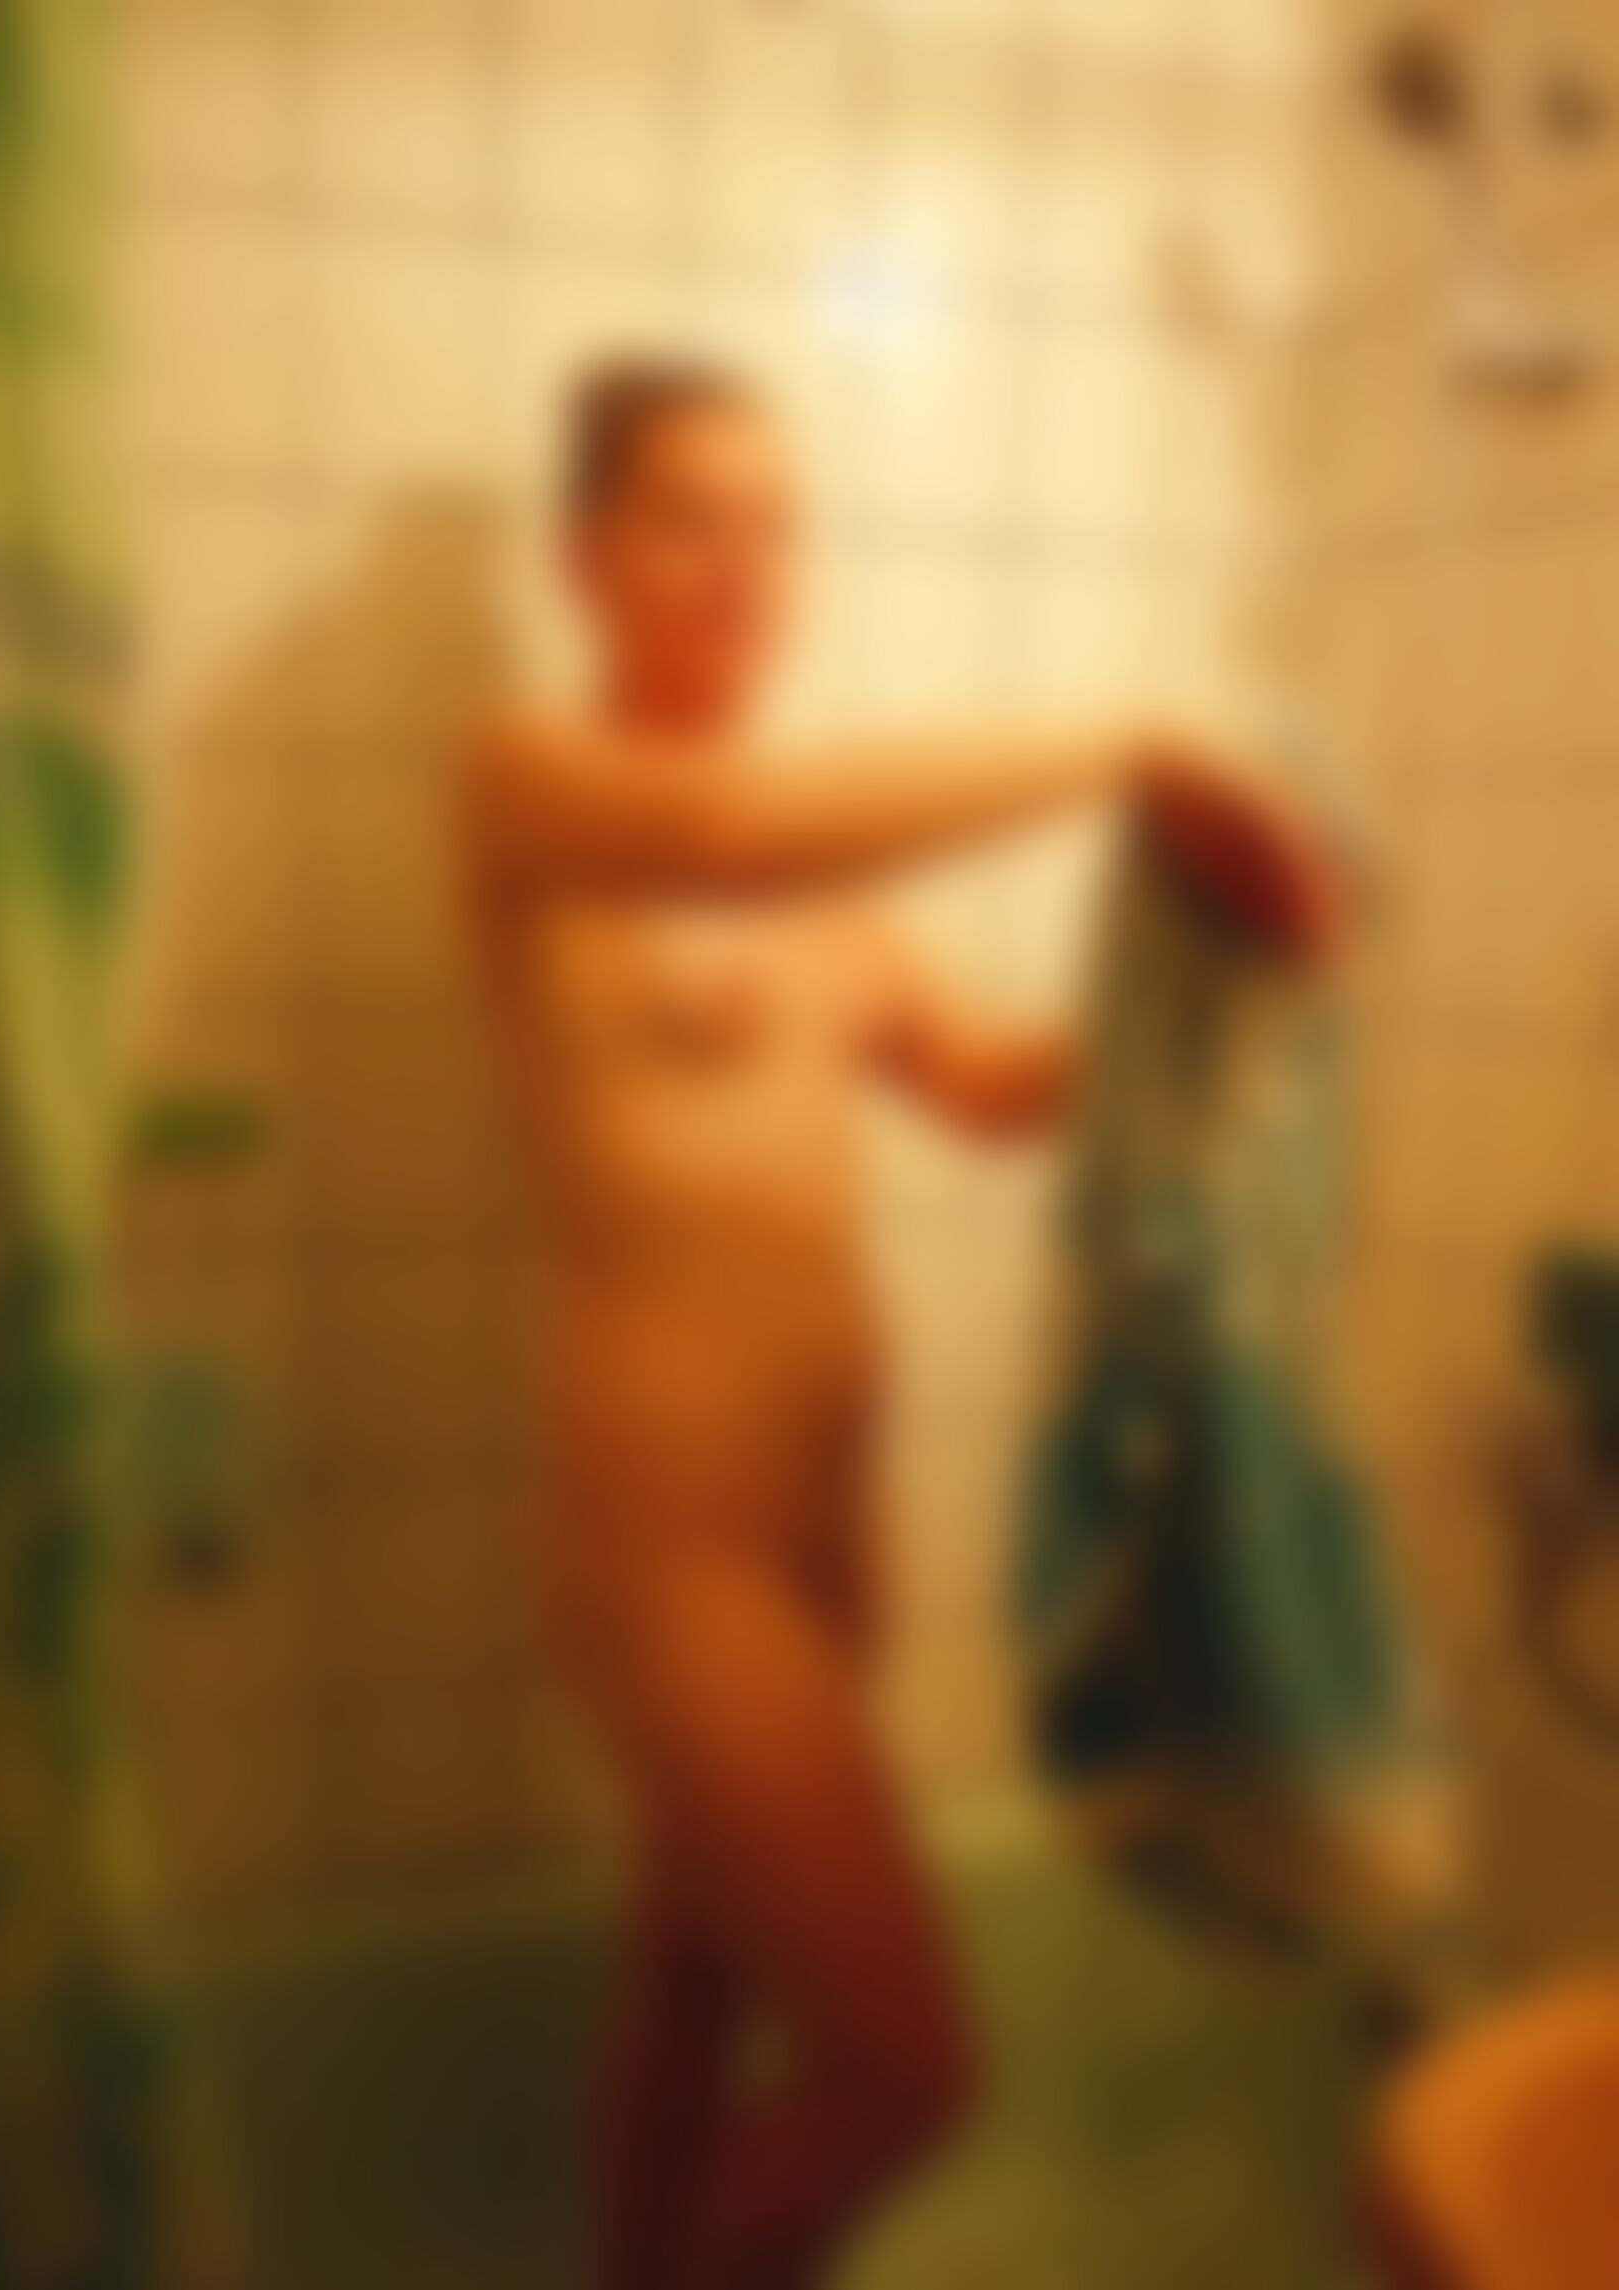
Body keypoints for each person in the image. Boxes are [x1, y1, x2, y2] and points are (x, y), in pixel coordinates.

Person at [461, 359, 1339, 2290]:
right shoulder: (532, 788)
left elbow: (987, 1081)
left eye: (776, 526)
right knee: (903, 2075)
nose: (744, 567)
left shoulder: (826, 907)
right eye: (687, 519)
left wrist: (1196, 998)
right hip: (671, 1558)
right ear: (582, 555)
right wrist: (1130, 743)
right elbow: (727, 826)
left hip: (816, 1555)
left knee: (691, 1998)